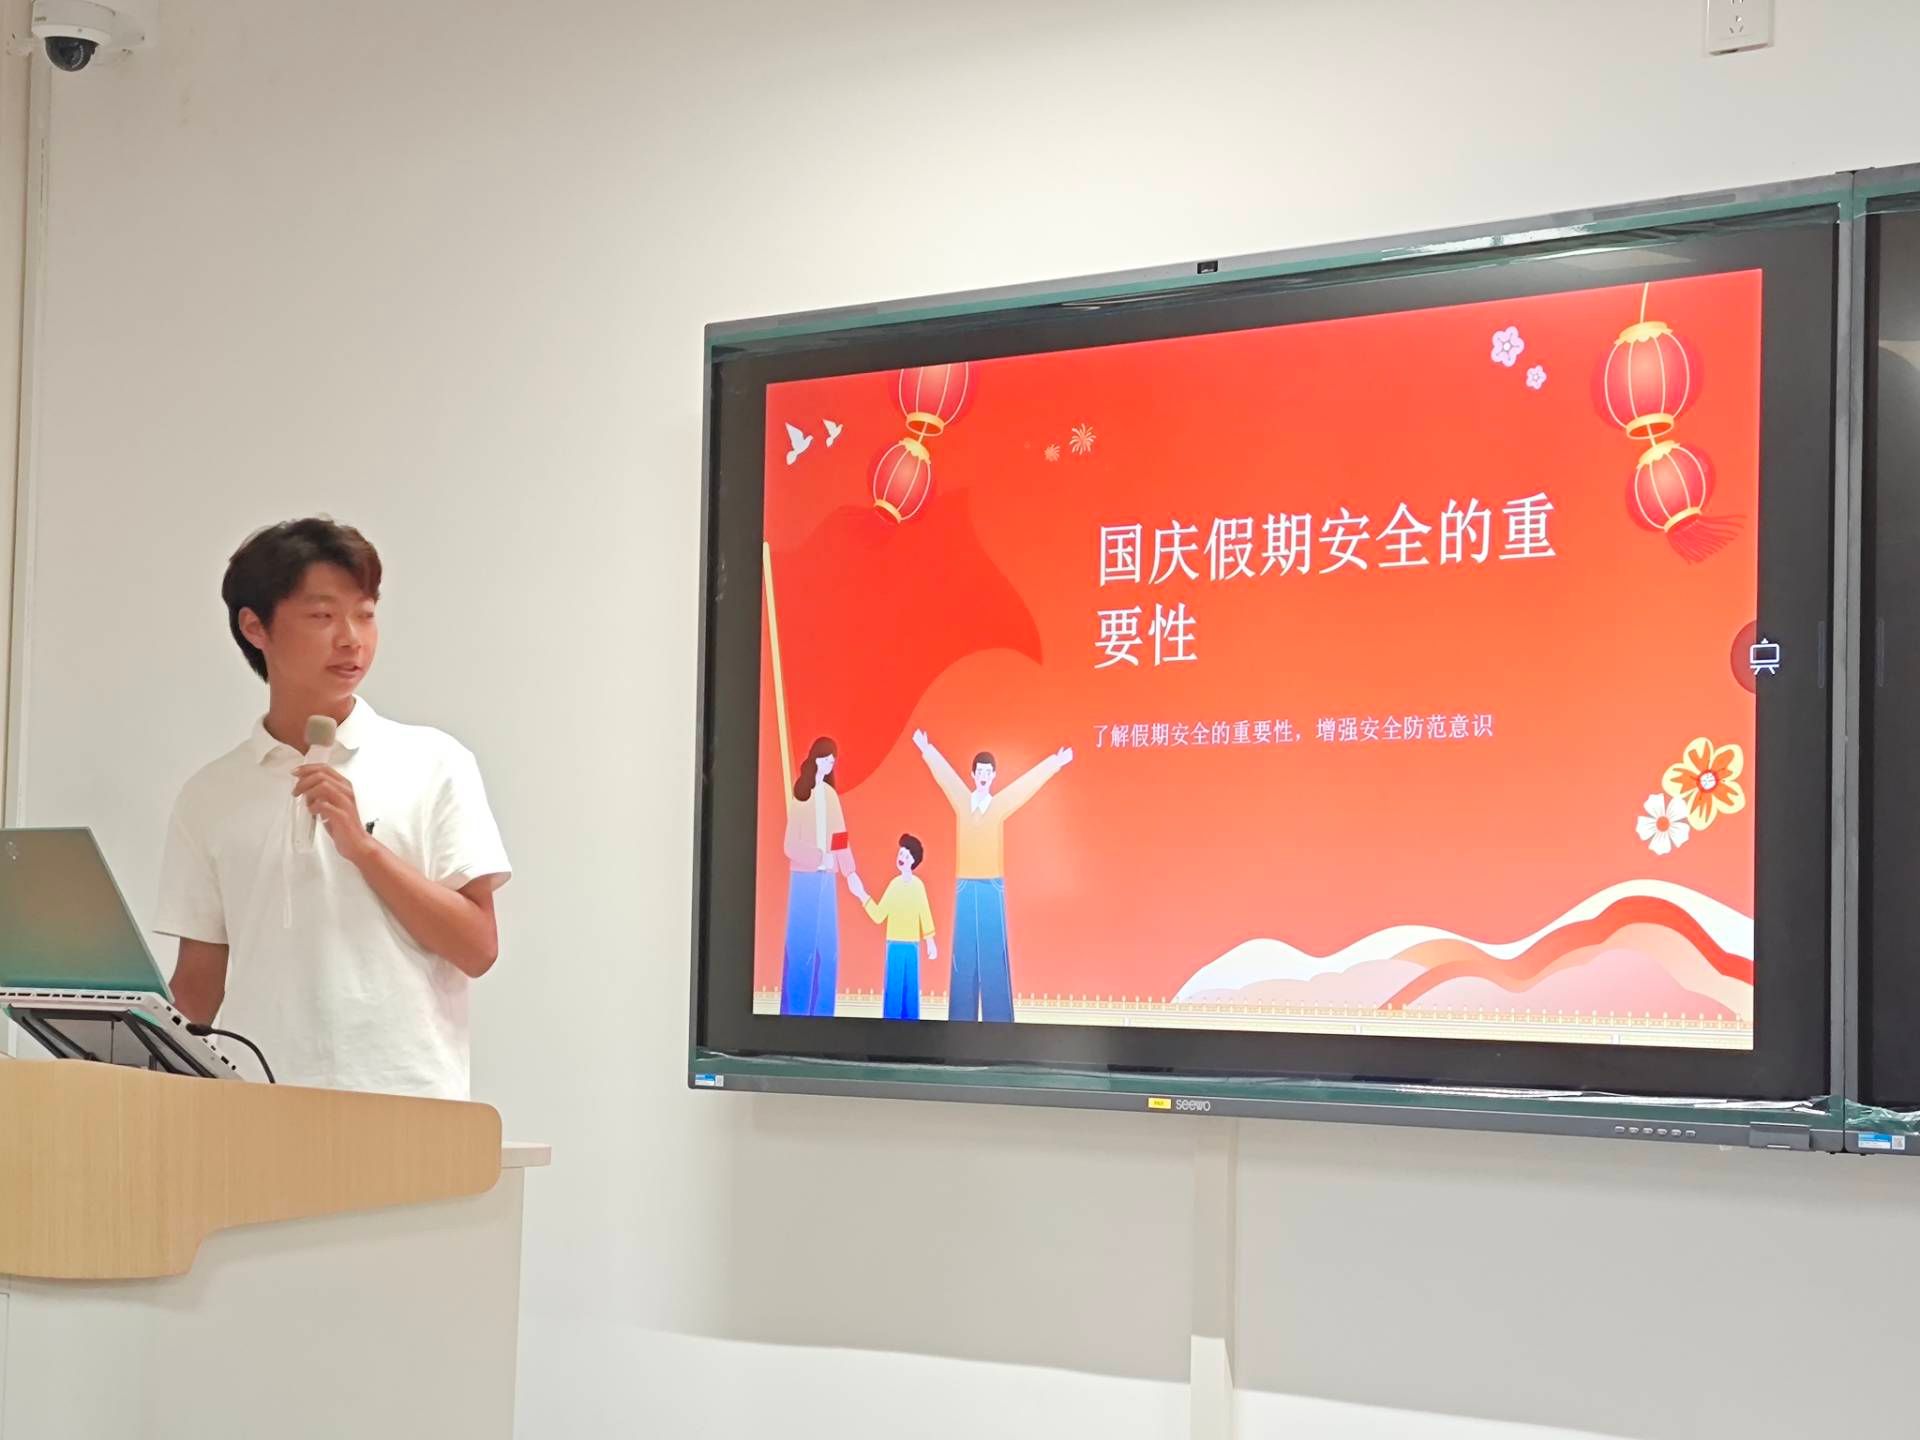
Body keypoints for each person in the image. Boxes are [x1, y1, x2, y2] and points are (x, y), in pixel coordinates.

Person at [154, 518, 511, 1099]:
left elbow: (478, 948)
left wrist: (364, 849)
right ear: (255, 627)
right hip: (258, 1110)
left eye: (365, 614)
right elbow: (197, 987)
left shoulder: (433, 762)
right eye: (322, 616)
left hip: (408, 1106)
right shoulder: (210, 794)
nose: (351, 639)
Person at [911, 729, 1071, 1022]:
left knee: (994, 958)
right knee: (964, 958)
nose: (984, 775)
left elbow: (1024, 787)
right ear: (973, 774)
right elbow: (946, 776)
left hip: (990, 887)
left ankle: (1000, 1025)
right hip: (965, 886)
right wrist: (927, 748)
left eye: (988, 771)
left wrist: (1054, 763)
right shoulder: (963, 800)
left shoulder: (998, 805)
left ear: (994, 776)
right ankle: (959, 1025)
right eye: (980, 771)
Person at [782, 736, 857, 1015]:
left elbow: (840, 839)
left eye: (833, 759)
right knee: (801, 951)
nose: (830, 763)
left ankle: (824, 1015)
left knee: (828, 952)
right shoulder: (802, 796)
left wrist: (850, 871)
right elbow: (790, 845)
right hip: (804, 882)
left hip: (827, 883)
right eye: (827, 758)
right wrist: (818, 857)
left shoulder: (831, 796)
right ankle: (794, 1015)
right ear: (816, 759)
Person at [849, 833, 937, 1021]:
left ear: (913, 861)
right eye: (900, 853)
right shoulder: (894, 885)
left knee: (911, 991)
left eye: (906, 855)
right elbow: (879, 915)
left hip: (912, 946)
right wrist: (861, 894)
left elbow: (925, 914)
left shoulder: (918, 886)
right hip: (894, 945)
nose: (901, 857)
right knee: (894, 990)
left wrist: (930, 941)